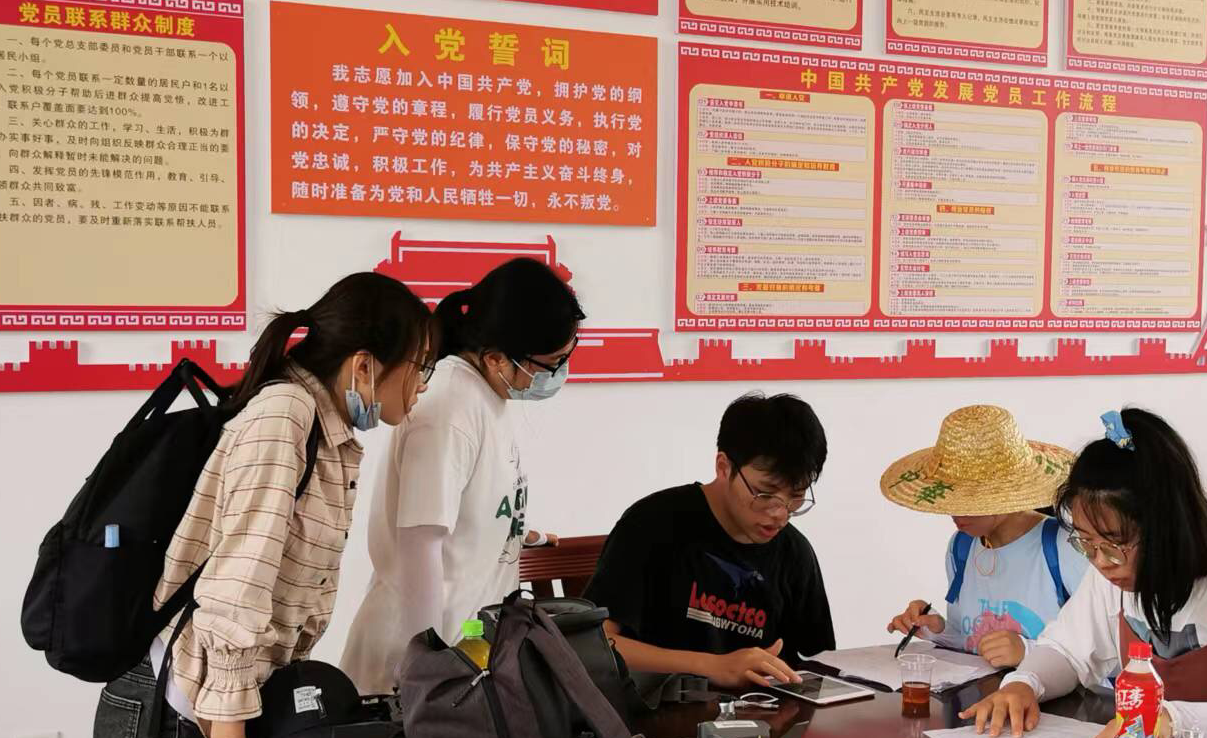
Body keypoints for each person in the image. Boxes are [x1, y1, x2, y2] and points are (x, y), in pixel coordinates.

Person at [90, 272, 437, 738]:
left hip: (204, 708)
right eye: (421, 366)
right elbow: (235, 592)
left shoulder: (324, 431)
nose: (422, 386)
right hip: (171, 717)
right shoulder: (285, 419)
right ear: (365, 366)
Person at [961, 408, 1207, 738]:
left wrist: (1173, 718)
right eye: (1086, 544)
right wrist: (1024, 683)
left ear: (1167, 529)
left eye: (1114, 545)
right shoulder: (1112, 578)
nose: (1100, 562)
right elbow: (1067, 651)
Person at [341, 257, 582, 693]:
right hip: (417, 664)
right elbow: (421, 544)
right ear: (496, 358)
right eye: (550, 365)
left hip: (465, 654)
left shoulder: (487, 393)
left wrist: (513, 531)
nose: (557, 375)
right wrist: (428, 663)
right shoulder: (450, 404)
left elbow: (464, 502)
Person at [585, 392, 836, 689]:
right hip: (660, 709)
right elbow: (593, 645)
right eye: (765, 493)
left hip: (764, 711)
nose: (780, 514)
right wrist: (712, 667)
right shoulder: (653, 524)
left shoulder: (794, 552)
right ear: (723, 467)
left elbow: (820, 666)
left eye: (796, 496)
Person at [880, 405, 1088, 668]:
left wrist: (1028, 652)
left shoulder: (1066, 547)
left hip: (1051, 694)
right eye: (950, 497)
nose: (955, 513)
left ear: (1006, 493)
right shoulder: (961, 546)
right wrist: (936, 629)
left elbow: (1104, 651)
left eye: (969, 499)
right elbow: (973, 642)